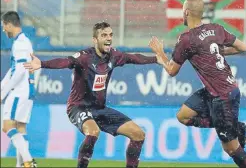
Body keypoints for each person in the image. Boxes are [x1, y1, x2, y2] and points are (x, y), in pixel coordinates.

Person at [23, 22, 158, 168]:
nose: (108, 38)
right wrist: (42, 64)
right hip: (78, 107)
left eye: (110, 35)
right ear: (95, 40)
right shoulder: (84, 57)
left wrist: (156, 59)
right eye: (104, 35)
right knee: (93, 131)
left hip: (99, 109)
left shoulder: (114, 55)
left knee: (138, 134)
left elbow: (134, 58)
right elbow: (65, 61)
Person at [149, 0, 246, 168]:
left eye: (182, 12)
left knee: (232, 149)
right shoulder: (216, 29)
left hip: (222, 96)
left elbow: (171, 71)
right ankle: (232, 125)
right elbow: (243, 47)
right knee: (182, 116)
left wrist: (160, 53)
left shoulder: (186, 39)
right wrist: (213, 53)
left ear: (187, 12)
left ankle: (231, 127)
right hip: (222, 89)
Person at [1, 11, 37, 168]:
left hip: (19, 90)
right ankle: (20, 165)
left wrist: (3, 92)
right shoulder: (24, 42)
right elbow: (15, 69)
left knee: (7, 126)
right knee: (20, 128)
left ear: (9, 24)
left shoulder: (20, 44)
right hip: (27, 89)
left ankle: (29, 162)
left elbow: (19, 71)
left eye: (3, 26)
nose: (3, 30)